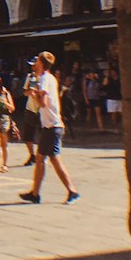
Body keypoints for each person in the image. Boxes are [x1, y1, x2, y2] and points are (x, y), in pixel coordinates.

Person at [20, 50, 80, 204]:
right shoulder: (48, 78)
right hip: (52, 126)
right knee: (52, 160)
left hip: (52, 126)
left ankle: (38, 193)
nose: (35, 64)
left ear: (41, 63)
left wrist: (35, 95)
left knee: (42, 159)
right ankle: (67, 191)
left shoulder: (45, 79)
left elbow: (43, 103)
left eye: (37, 61)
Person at [20, 63, 43, 163]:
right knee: (28, 134)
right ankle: (32, 155)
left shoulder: (44, 77)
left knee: (43, 133)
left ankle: (41, 155)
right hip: (30, 108)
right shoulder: (29, 77)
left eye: (34, 65)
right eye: (32, 66)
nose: (33, 68)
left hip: (41, 109)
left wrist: (37, 92)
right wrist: (30, 92)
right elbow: (24, 92)